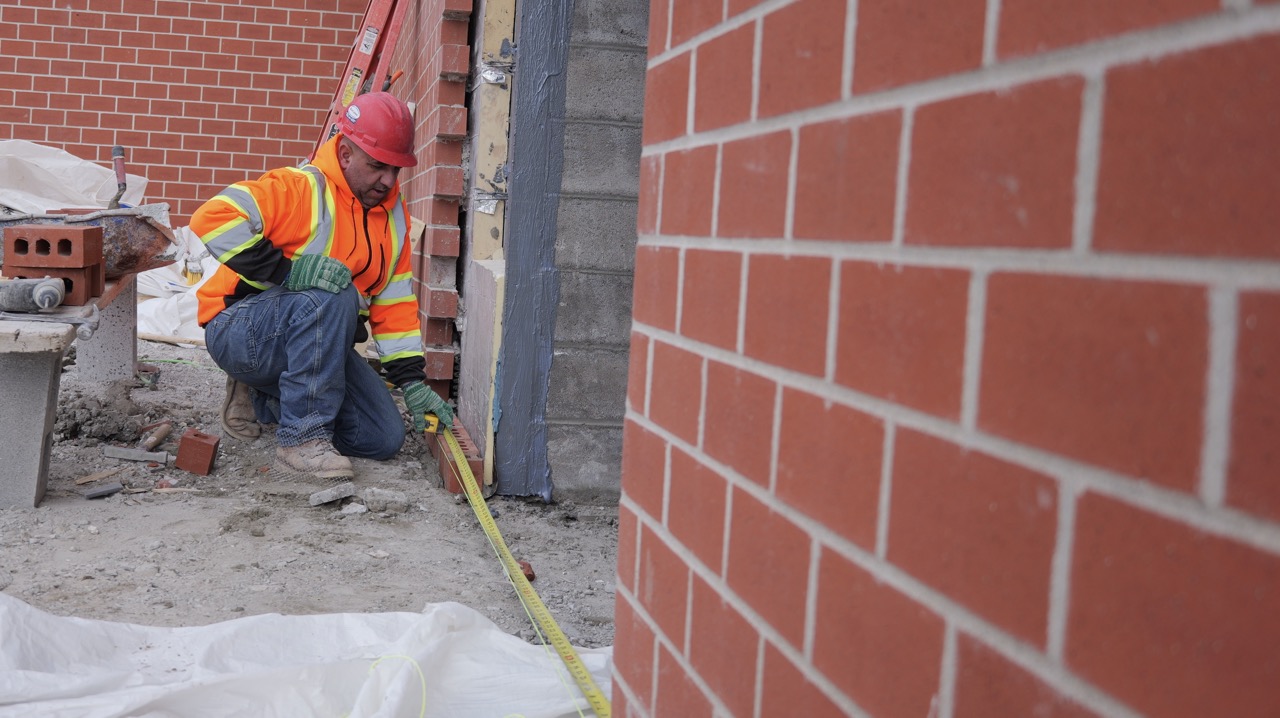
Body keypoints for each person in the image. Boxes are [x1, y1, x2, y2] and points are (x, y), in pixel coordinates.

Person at [189, 92, 452, 482]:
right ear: (345, 154)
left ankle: (268, 395)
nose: (389, 180)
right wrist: (285, 272)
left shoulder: (393, 219)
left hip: (315, 343)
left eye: (397, 169)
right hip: (239, 333)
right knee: (335, 288)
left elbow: (393, 304)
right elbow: (211, 217)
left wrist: (412, 381)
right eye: (378, 166)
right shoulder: (300, 189)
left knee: (382, 437)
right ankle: (301, 440)